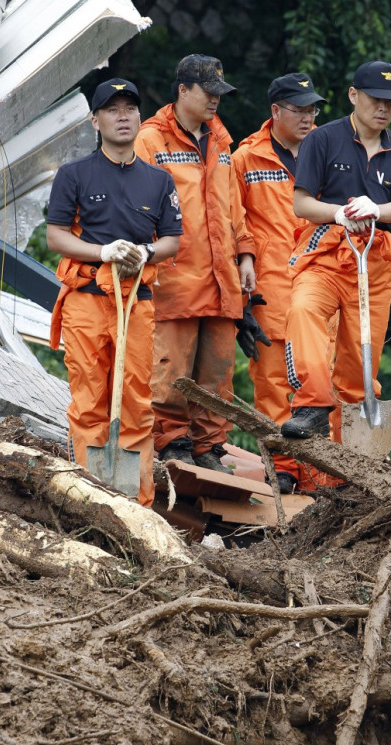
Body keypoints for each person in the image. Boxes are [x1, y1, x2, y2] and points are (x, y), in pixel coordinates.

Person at [45, 78, 182, 507]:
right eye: (112, 109)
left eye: (129, 109)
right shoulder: (74, 175)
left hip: (137, 301)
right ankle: (87, 497)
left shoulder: (159, 181)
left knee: (138, 400)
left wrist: (144, 251)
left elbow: (173, 241)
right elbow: (55, 236)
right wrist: (102, 251)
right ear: (96, 120)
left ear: (140, 118)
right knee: (89, 400)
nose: (122, 116)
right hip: (87, 299)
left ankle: (136, 503)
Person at [281, 60, 391, 447]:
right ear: (353, 95)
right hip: (326, 254)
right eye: (376, 99)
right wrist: (339, 213)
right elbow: (302, 203)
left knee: (360, 364)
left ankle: (355, 467)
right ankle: (311, 405)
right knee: (303, 310)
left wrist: (376, 209)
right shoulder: (322, 139)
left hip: (374, 260)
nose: (383, 108)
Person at [134, 54, 256, 474]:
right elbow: (137, 210)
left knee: (219, 370)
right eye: (208, 92)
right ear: (182, 89)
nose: (215, 101)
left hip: (222, 278)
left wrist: (245, 255)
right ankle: (171, 442)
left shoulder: (222, 140)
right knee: (170, 368)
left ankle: (209, 445)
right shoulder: (150, 140)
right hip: (174, 278)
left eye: (220, 94)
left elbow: (233, 208)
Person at [233, 72, 333, 494]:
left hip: (321, 285)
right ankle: (286, 472)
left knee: (322, 380)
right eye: (300, 109)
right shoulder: (245, 159)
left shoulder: (329, 153)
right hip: (269, 287)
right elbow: (232, 223)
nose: (309, 117)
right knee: (274, 382)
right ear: (275, 111)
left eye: (313, 109)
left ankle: (323, 476)